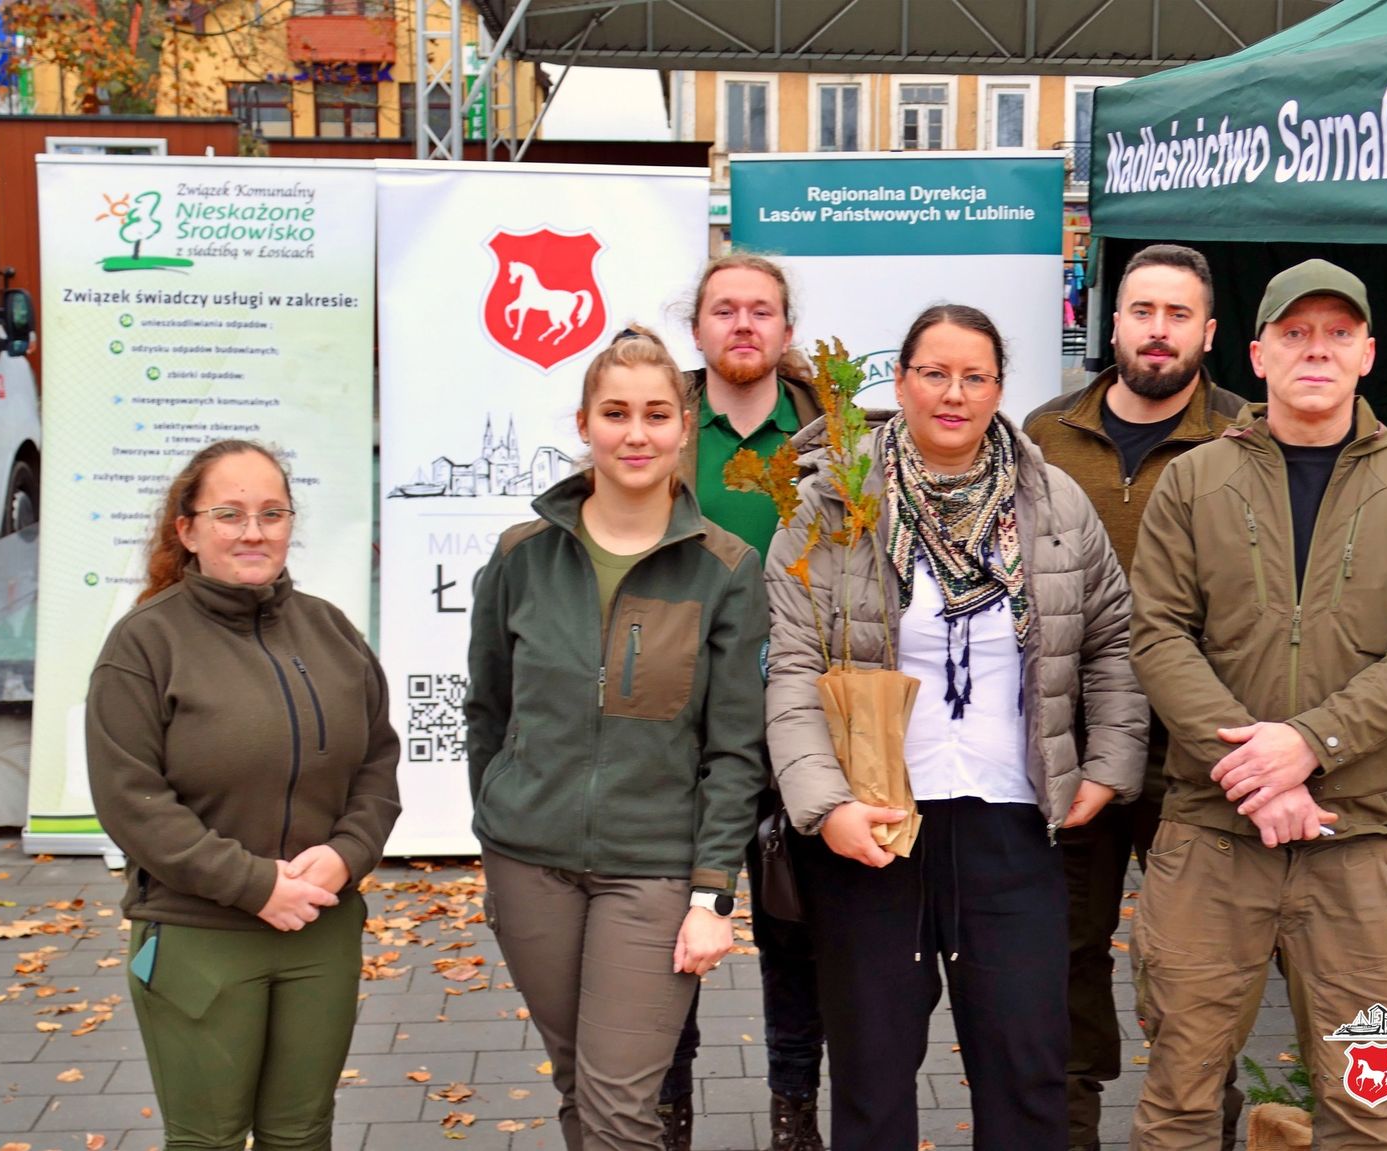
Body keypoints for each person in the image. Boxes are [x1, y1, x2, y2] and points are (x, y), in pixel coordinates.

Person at [765, 304, 1148, 1151]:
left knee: (1027, 1068)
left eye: (974, 376)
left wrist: (1110, 762)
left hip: (1013, 821)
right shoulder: (831, 505)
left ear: (1000, 390)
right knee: (870, 1075)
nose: (953, 392)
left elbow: (1112, 642)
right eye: (933, 372)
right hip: (873, 828)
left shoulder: (1056, 505)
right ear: (899, 382)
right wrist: (825, 804)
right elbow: (792, 668)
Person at [1127, 260, 1387, 1148]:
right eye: (1294, 333)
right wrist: (1258, 772)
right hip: (1210, 837)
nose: (1315, 349)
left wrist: (1310, 743)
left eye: (1336, 334)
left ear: (1367, 352)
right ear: (1257, 352)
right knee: (1180, 1098)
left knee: (1369, 1110)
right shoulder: (1196, 480)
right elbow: (1160, 636)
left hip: (1355, 841)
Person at [466, 326, 768, 1151]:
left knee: (620, 1103)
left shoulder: (725, 567)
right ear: (584, 424)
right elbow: (486, 709)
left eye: (656, 414)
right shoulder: (520, 557)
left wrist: (712, 891)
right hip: (531, 864)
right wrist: (499, 824)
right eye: (616, 412)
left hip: (655, 868)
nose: (635, 433)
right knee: (577, 1083)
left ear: (683, 425)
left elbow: (737, 748)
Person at [86, 438, 402, 1150]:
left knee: (302, 1133)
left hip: (320, 929)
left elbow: (378, 760)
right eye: (228, 513)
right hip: (200, 937)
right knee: (209, 1140)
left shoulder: (330, 629)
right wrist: (255, 883)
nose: (253, 531)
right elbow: (132, 799)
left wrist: (348, 853)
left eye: (271, 512)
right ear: (187, 528)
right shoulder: (143, 646)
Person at [1023, 243, 1246, 1151]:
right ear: (1111, 321)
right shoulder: (1042, 434)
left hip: (1203, 752)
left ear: (1210, 332)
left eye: (1178, 315)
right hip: (1070, 753)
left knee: (1201, 968)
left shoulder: (1249, 436)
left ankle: (1202, 1128)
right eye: (1142, 311)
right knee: (1063, 954)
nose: (1158, 332)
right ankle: (1068, 1131)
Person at [660, 252, 826, 1151]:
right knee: (671, 928)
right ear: (699, 328)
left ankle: (794, 1113)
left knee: (798, 935)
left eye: (762, 309)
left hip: (801, 722)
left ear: (786, 331)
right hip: (682, 726)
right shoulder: (664, 426)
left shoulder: (831, 434)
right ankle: (668, 1107)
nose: (744, 324)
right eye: (725, 309)